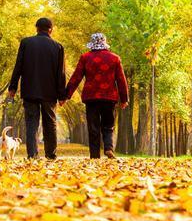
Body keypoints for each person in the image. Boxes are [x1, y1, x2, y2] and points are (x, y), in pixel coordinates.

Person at [60, 33, 128, 159]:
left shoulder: (85, 57)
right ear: (105, 43)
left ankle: (95, 155)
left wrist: (66, 95)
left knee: (93, 127)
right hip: (109, 97)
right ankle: (108, 148)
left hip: (91, 97)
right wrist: (124, 99)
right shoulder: (115, 58)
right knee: (108, 125)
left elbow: (76, 77)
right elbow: (121, 79)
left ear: (92, 44)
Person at [8, 18, 66, 160]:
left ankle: (32, 154)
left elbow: (18, 66)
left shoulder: (26, 43)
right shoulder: (58, 47)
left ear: (36, 28)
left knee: (31, 123)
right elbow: (61, 73)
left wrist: (13, 86)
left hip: (30, 90)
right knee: (50, 123)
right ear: (50, 29)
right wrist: (62, 95)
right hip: (50, 92)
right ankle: (51, 154)